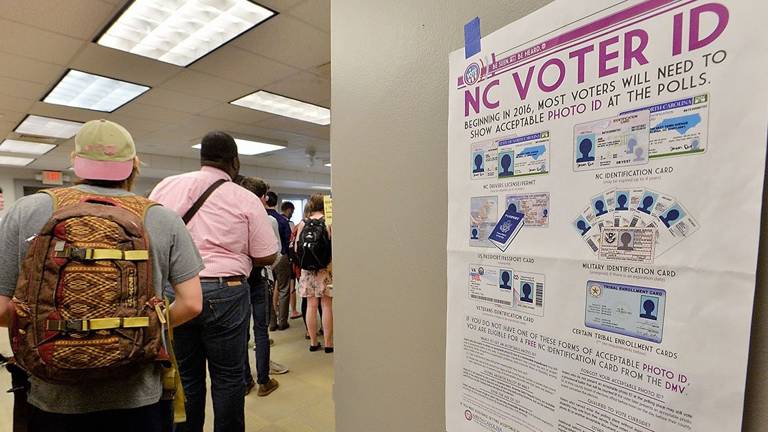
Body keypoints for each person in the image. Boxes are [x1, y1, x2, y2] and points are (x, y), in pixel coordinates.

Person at [0, 119, 204, 431]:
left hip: (51, 395)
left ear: (75, 161)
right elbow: (191, 303)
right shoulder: (162, 217)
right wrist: (146, 329)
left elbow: (2, 310)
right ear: (134, 164)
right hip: (138, 394)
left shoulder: (25, 210)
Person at [150, 131, 278, 432]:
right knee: (229, 378)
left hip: (177, 291)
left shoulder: (166, 186)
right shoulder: (244, 197)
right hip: (227, 291)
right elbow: (267, 254)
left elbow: (149, 236)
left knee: (187, 377)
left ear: (202, 157)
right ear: (235, 162)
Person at [235, 176, 288, 398]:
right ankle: (264, 381)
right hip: (258, 278)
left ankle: (246, 380)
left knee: (241, 331)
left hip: (237, 278)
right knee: (260, 330)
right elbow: (276, 252)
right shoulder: (267, 219)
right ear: (264, 197)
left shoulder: (233, 216)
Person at [295, 194, 334, 353]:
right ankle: (328, 344)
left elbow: (297, 248)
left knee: (311, 305)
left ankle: (313, 342)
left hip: (307, 270)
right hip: (325, 269)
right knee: (326, 306)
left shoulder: (303, 223)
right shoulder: (329, 222)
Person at [265, 191, 293, 331]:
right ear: (276, 203)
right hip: (281, 257)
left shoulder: (259, 218)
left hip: (264, 258)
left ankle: (271, 323)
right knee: (283, 289)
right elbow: (288, 240)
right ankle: (282, 321)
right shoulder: (282, 220)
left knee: (268, 290)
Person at [281, 201, 302, 320]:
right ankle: (293, 310)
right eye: (292, 211)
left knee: (278, 285)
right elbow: (292, 241)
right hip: (288, 257)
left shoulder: (275, 220)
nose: (292, 214)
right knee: (291, 284)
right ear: (288, 209)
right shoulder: (289, 223)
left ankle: (277, 309)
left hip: (277, 256)